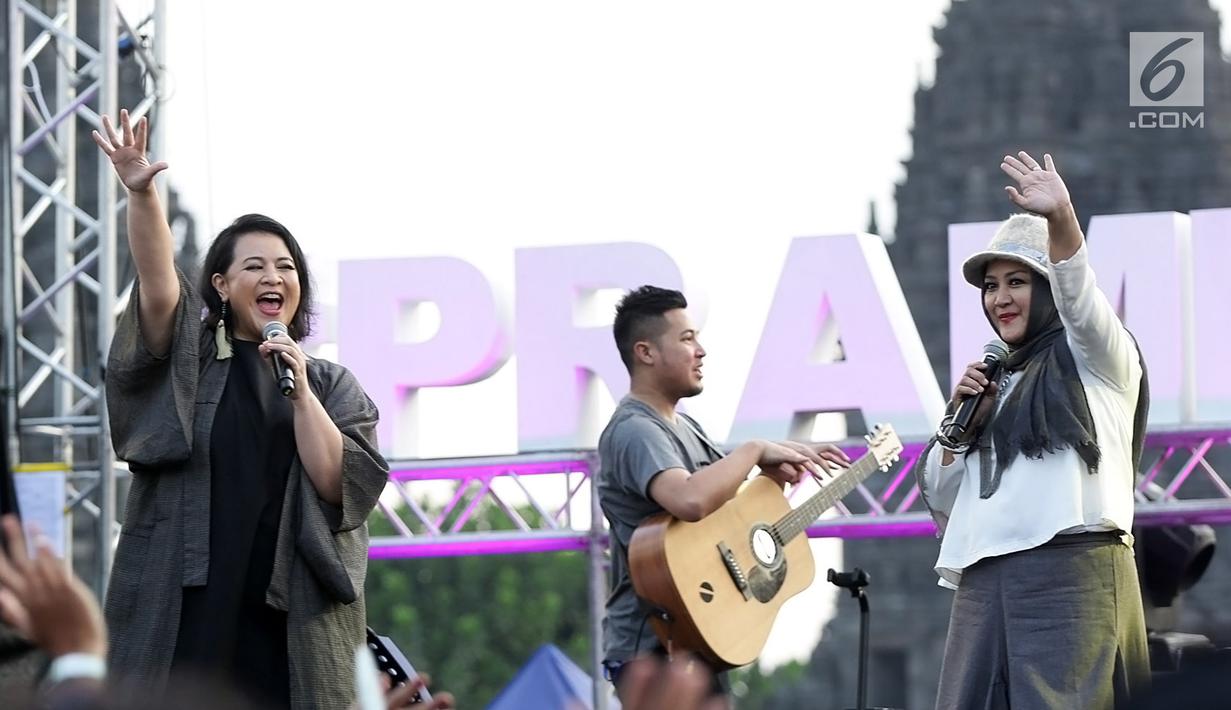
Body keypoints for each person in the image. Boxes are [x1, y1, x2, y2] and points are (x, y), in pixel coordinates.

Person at [92, 110, 391, 709]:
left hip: (290, 616)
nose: (273, 276)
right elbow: (158, 283)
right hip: (187, 603)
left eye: (285, 267)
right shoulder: (192, 361)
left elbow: (340, 485)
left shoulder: (330, 385)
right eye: (254, 266)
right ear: (222, 286)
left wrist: (300, 393)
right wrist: (142, 194)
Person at [915, 151, 1151, 709]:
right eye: (990, 286)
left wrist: (1061, 217)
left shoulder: (1098, 358)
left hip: (1070, 576)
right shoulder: (993, 379)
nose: (1000, 299)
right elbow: (943, 496)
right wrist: (959, 427)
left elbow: (1079, 296)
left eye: (1017, 281)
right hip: (983, 584)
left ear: (1047, 288)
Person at [597, 285, 850, 703]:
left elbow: (725, 513)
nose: (700, 351)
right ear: (646, 352)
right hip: (652, 648)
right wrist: (754, 449)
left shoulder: (687, 427)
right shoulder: (635, 430)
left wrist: (774, 473)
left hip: (696, 634)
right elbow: (690, 500)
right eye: (686, 339)